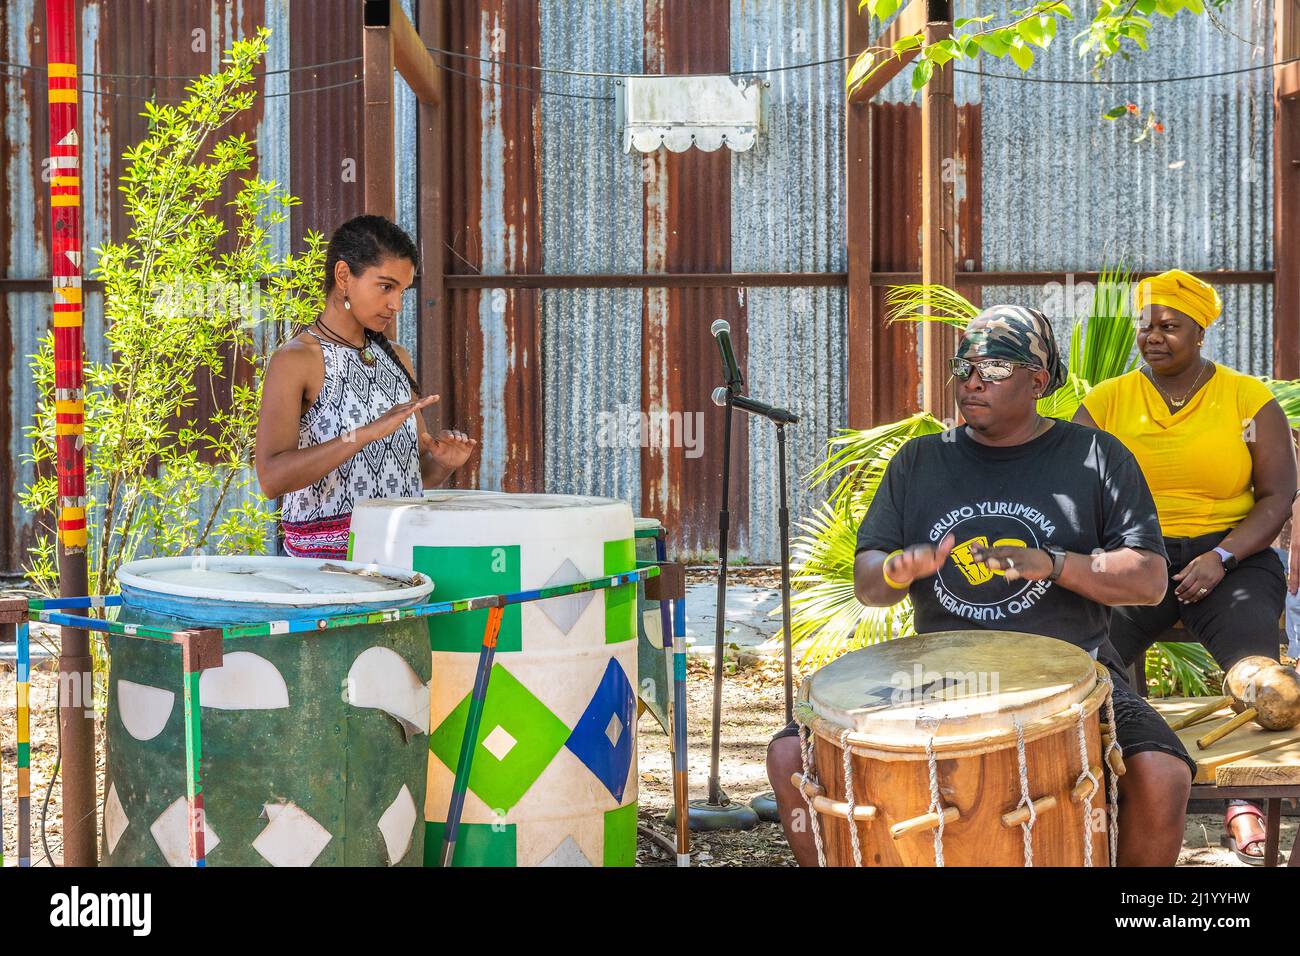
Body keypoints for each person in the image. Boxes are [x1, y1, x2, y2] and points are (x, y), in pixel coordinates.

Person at [767, 305, 1196, 867]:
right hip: (935, 673)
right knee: (788, 755)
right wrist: (895, 572)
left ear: (1037, 381)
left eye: (994, 368)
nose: (971, 381)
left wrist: (1052, 563)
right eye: (963, 366)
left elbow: (1148, 579)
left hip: (1075, 670)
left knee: (1161, 773)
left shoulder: (1095, 457)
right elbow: (870, 584)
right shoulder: (920, 460)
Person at [1073, 269, 1296, 864]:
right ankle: (1133, 785)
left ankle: (1240, 801)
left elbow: (1277, 494)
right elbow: (1068, 491)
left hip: (1232, 557)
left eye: (1169, 326)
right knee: (1090, 662)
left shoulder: (1246, 400)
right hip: (1129, 557)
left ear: (1199, 332)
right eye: (1145, 325)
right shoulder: (1107, 401)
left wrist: (1222, 556)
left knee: (1260, 683)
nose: (1153, 336)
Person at [255, 215, 476, 559]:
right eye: (386, 287)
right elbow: (271, 479)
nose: (397, 304)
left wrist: (444, 461)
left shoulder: (397, 357)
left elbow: (415, 474)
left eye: (402, 290)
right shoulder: (297, 360)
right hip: (324, 574)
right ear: (343, 276)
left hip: (403, 560)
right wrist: (363, 434)